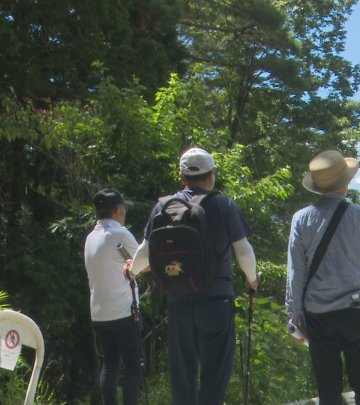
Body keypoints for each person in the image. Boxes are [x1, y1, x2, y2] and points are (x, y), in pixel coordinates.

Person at [140, 147, 259, 405]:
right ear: (211, 176)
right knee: (215, 375)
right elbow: (243, 251)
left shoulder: (164, 207)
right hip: (216, 302)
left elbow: (143, 253)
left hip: (179, 303)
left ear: (182, 178)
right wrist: (252, 279)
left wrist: (131, 270)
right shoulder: (223, 204)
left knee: (182, 375)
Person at [286, 150, 360, 405]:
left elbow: (295, 272)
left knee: (328, 387)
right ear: (345, 183)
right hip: (356, 311)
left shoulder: (301, 219)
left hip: (318, 315)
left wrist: (294, 316)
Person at [83, 188, 142, 405]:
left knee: (109, 364)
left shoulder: (90, 238)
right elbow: (141, 265)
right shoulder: (121, 234)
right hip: (124, 311)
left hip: (99, 313)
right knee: (133, 366)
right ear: (118, 210)